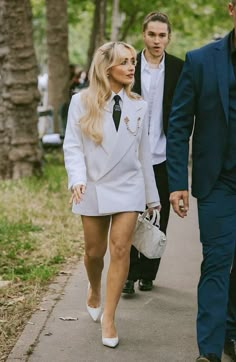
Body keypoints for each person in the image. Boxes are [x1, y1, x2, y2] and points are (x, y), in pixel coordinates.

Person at [63, 41, 160, 348]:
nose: (133, 67)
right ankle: (94, 287)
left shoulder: (139, 105)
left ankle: (109, 316)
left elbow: (144, 153)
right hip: (92, 185)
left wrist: (151, 196)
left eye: (133, 61)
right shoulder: (81, 101)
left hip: (128, 186)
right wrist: (76, 179)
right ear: (107, 69)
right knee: (94, 253)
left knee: (120, 250)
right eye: (125, 62)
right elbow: (73, 145)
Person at [166, 2, 236, 361]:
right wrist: (177, 181)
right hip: (218, 180)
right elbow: (178, 125)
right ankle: (209, 351)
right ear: (231, 9)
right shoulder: (200, 61)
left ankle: (232, 332)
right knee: (217, 260)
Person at [122, 11, 183, 294]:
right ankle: (128, 274)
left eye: (162, 35)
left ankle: (148, 272)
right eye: (152, 34)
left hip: (164, 154)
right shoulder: (127, 65)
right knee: (130, 213)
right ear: (143, 35)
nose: (157, 40)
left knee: (159, 216)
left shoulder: (180, 68)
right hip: (130, 155)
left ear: (169, 37)